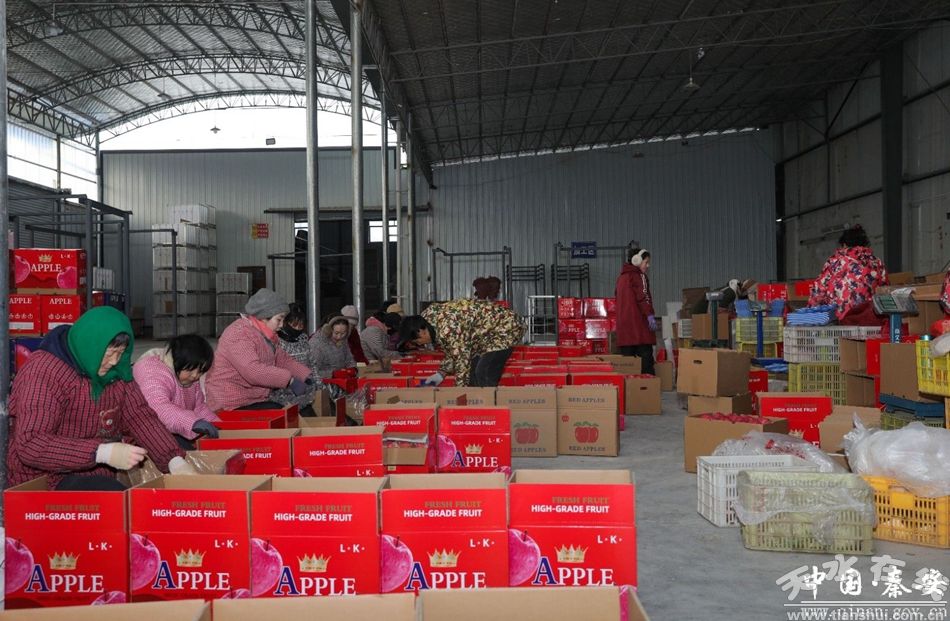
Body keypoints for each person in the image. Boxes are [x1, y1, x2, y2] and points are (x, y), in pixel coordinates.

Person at [7, 306, 195, 491]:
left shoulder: (116, 371)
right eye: (109, 353)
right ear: (91, 345)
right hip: (46, 479)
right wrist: (101, 452)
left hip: (94, 470)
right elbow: (32, 443)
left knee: (180, 446)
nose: (114, 361)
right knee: (113, 499)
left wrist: (174, 461)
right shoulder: (45, 372)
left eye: (120, 353)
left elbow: (139, 416)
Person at [205, 288, 314, 411]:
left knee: (296, 410)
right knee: (278, 413)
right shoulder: (239, 334)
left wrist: (306, 375)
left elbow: (282, 359)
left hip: (252, 398)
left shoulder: (267, 336)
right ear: (263, 317)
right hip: (230, 403)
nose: (281, 325)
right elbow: (253, 371)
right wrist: (289, 380)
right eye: (279, 319)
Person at [398, 299, 525, 387]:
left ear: (421, 332)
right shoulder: (428, 319)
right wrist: (441, 374)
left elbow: (462, 361)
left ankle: (489, 408)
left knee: (483, 372)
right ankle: (477, 404)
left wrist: (459, 394)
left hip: (506, 328)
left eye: (417, 341)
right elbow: (454, 351)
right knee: (472, 372)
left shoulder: (447, 328)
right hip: (486, 333)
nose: (420, 344)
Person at [133, 334, 219, 450]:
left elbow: (198, 406)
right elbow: (158, 407)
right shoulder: (153, 372)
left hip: (173, 427)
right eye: (190, 370)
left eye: (200, 371)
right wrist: (192, 422)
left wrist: (216, 424)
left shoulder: (188, 377)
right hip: (147, 430)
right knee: (183, 452)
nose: (195, 375)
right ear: (177, 360)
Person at [809, 225, 889, 323]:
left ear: (844, 244)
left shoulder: (834, 262)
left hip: (840, 321)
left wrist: (810, 315)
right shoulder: (877, 263)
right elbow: (885, 292)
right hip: (868, 320)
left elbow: (818, 292)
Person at [270, 304, 343, 409]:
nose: (297, 328)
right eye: (294, 324)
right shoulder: (277, 342)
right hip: (286, 390)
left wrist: (318, 384)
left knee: (334, 395)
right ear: (285, 323)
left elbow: (312, 364)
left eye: (301, 325)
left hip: (306, 385)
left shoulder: (303, 339)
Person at [615, 248, 656, 375]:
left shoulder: (621, 278)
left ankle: (631, 387)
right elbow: (644, 298)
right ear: (637, 261)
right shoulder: (640, 277)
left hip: (624, 329)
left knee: (628, 367)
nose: (647, 266)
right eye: (646, 262)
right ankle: (649, 386)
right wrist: (649, 315)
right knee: (646, 363)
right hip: (639, 328)